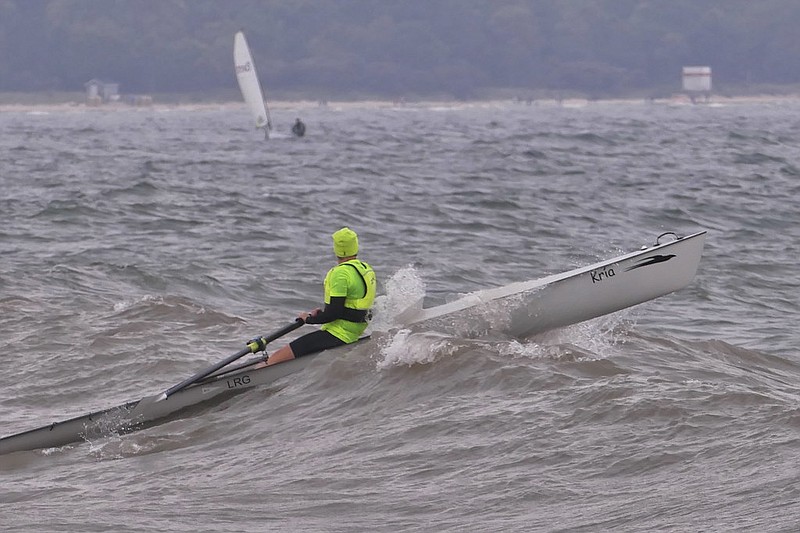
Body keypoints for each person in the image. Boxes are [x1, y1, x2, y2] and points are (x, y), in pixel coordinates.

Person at [254, 227, 376, 367]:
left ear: (337, 249)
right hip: (355, 332)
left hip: (338, 334)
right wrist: (321, 314)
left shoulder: (340, 273)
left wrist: (309, 319)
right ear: (355, 246)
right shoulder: (366, 269)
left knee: (276, 358)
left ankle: (261, 369)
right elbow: (354, 308)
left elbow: (334, 313)